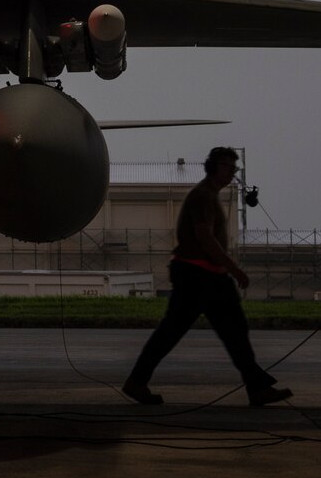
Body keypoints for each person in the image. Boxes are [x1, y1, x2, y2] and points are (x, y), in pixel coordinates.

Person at [122, 147, 292, 407]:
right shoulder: (203, 197)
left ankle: (257, 387)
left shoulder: (209, 196)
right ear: (213, 166)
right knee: (214, 330)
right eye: (227, 166)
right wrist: (234, 269)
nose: (231, 172)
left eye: (234, 168)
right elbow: (205, 237)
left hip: (204, 275)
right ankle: (257, 388)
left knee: (222, 330)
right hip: (198, 276)